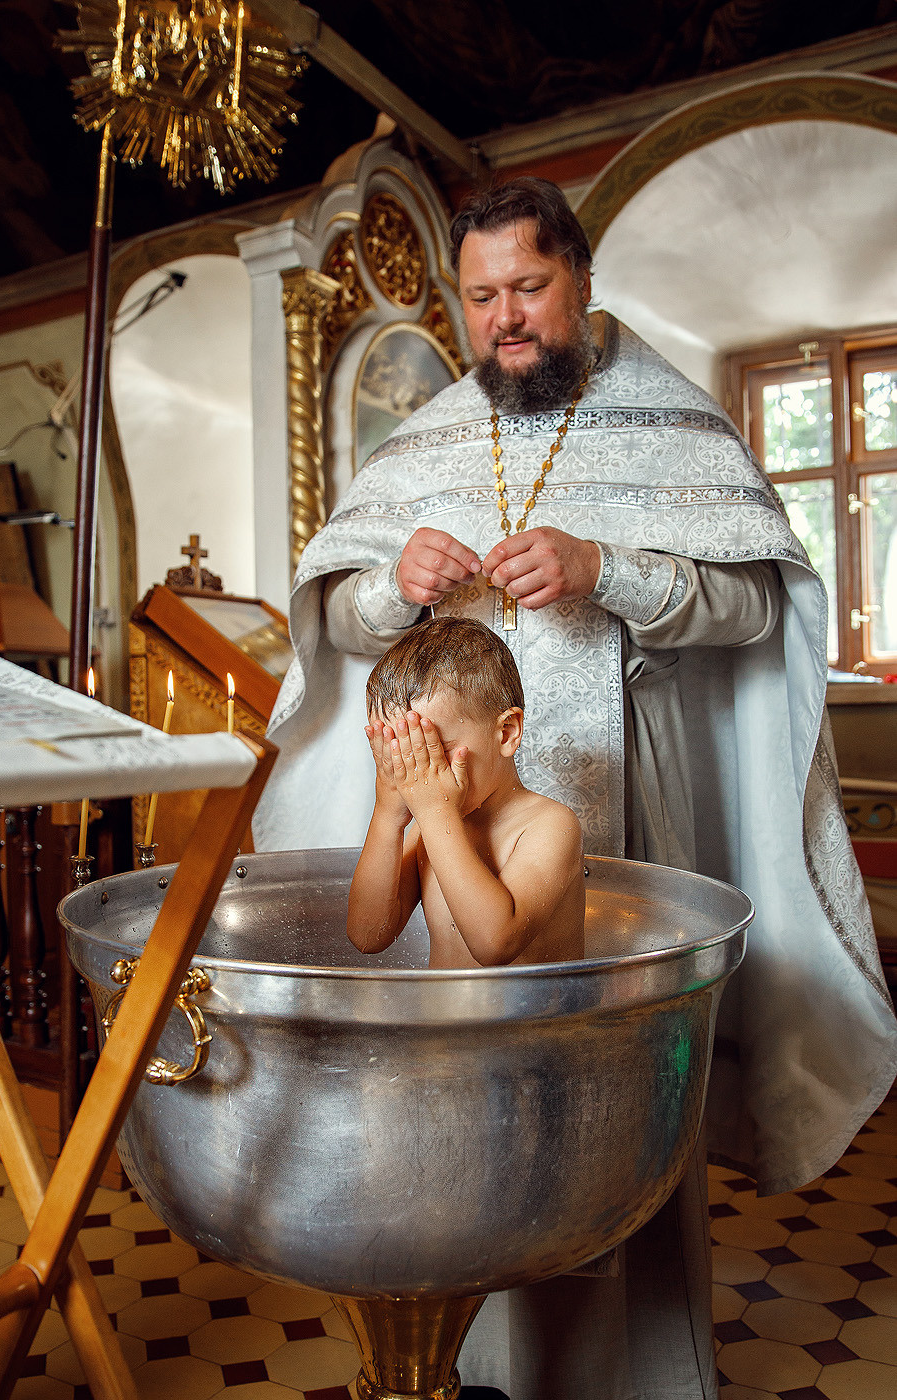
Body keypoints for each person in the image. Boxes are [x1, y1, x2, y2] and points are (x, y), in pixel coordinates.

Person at [254, 178, 897, 1399]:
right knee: (468, 1103)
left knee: (616, 1087)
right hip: (452, 816)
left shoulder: (670, 417)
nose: (504, 318)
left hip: (626, 801)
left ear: (583, 280)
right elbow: (331, 620)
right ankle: (468, 1369)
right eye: (480, 295)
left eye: (529, 287)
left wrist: (611, 566)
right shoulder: (429, 436)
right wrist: (392, 584)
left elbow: (757, 606)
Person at [348, 616, 584, 968]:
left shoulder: (549, 825)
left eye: (433, 751)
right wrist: (387, 815)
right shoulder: (427, 827)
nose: (417, 775)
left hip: (535, 1007)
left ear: (506, 733)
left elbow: (494, 945)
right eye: (403, 754)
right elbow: (367, 936)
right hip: (442, 1008)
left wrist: (436, 815)